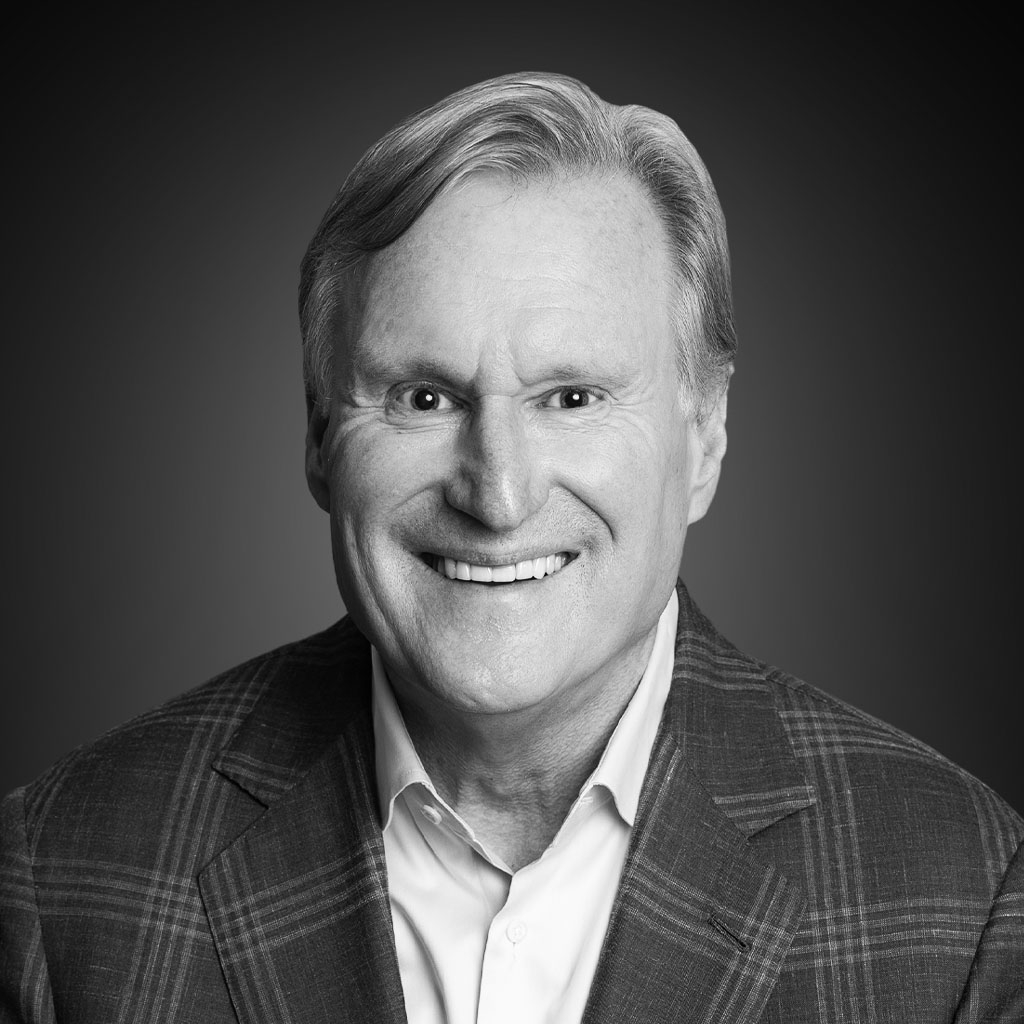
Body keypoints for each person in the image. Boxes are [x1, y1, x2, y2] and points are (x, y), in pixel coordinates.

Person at [1, 71, 1020, 1024]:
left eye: (571, 398)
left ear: (705, 436)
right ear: (318, 437)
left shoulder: (961, 898)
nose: (497, 493)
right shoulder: (61, 879)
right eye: (424, 398)